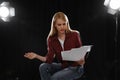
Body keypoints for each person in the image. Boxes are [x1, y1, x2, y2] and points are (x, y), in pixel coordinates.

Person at [24, 12, 85, 80]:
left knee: (54, 78)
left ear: (67, 23)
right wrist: (36, 56)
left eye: (64, 24)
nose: (62, 27)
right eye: (59, 25)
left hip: (75, 68)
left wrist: (81, 60)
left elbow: (80, 53)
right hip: (63, 66)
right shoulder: (51, 39)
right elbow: (49, 59)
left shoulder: (75, 34)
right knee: (43, 67)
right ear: (54, 25)